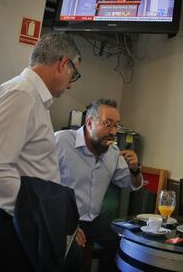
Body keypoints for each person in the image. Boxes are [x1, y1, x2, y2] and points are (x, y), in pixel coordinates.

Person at [0, 32, 85, 271]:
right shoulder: (21, 95)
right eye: (75, 73)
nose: (72, 81)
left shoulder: (29, 97)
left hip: (13, 220)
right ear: (64, 64)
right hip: (7, 226)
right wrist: (42, 216)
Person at [55, 98, 143, 271]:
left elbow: (132, 184)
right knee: (73, 255)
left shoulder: (113, 152)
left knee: (123, 245)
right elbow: (43, 186)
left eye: (116, 125)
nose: (113, 131)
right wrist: (67, 224)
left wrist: (135, 170)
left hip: (93, 218)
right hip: (61, 217)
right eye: (107, 124)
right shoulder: (61, 142)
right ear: (89, 123)